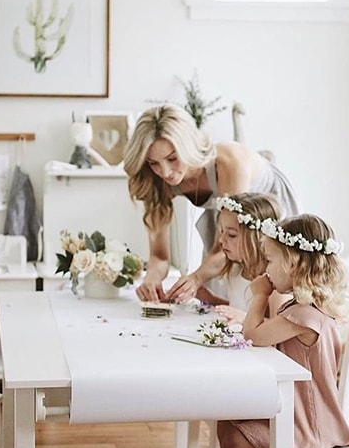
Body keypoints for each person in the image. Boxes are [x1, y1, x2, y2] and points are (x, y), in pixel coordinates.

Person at [216, 213, 349, 448]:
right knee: (227, 419)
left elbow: (252, 335)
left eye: (270, 261)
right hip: (294, 410)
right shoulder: (304, 307)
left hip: (308, 424)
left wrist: (260, 295)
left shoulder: (303, 315)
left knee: (235, 440)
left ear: (293, 264)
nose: (266, 269)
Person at [123, 104, 300, 303]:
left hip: (269, 208)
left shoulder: (229, 162)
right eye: (153, 163)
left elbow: (232, 239)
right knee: (222, 298)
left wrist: (196, 277)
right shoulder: (156, 181)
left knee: (274, 292)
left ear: (188, 146)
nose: (165, 172)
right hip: (228, 225)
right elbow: (159, 256)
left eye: (172, 158)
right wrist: (152, 278)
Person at [198, 193, 290, 325]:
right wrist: (211, 299)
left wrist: (244, 319)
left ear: (257, 238)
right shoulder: (237, 269)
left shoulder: (274, 282)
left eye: (231, 235)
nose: (221, 240)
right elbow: (239, 309)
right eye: (221, 231)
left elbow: (278, 328)